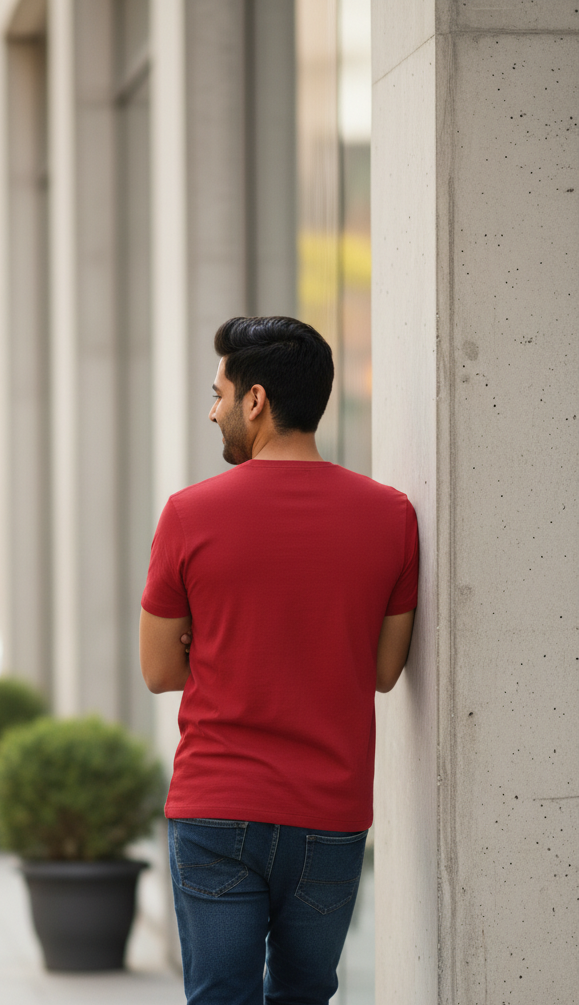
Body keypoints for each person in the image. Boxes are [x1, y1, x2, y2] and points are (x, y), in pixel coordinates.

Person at [139, 316, 418, 1005]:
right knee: (304, 994)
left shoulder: (188, 513)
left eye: (218, 394)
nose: (214, 410)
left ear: (255, 399)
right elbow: (383, 671)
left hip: (217, 806)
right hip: (330, 810)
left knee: (219, 996)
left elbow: (159, 670)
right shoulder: (392, 516)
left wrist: (216, 641)